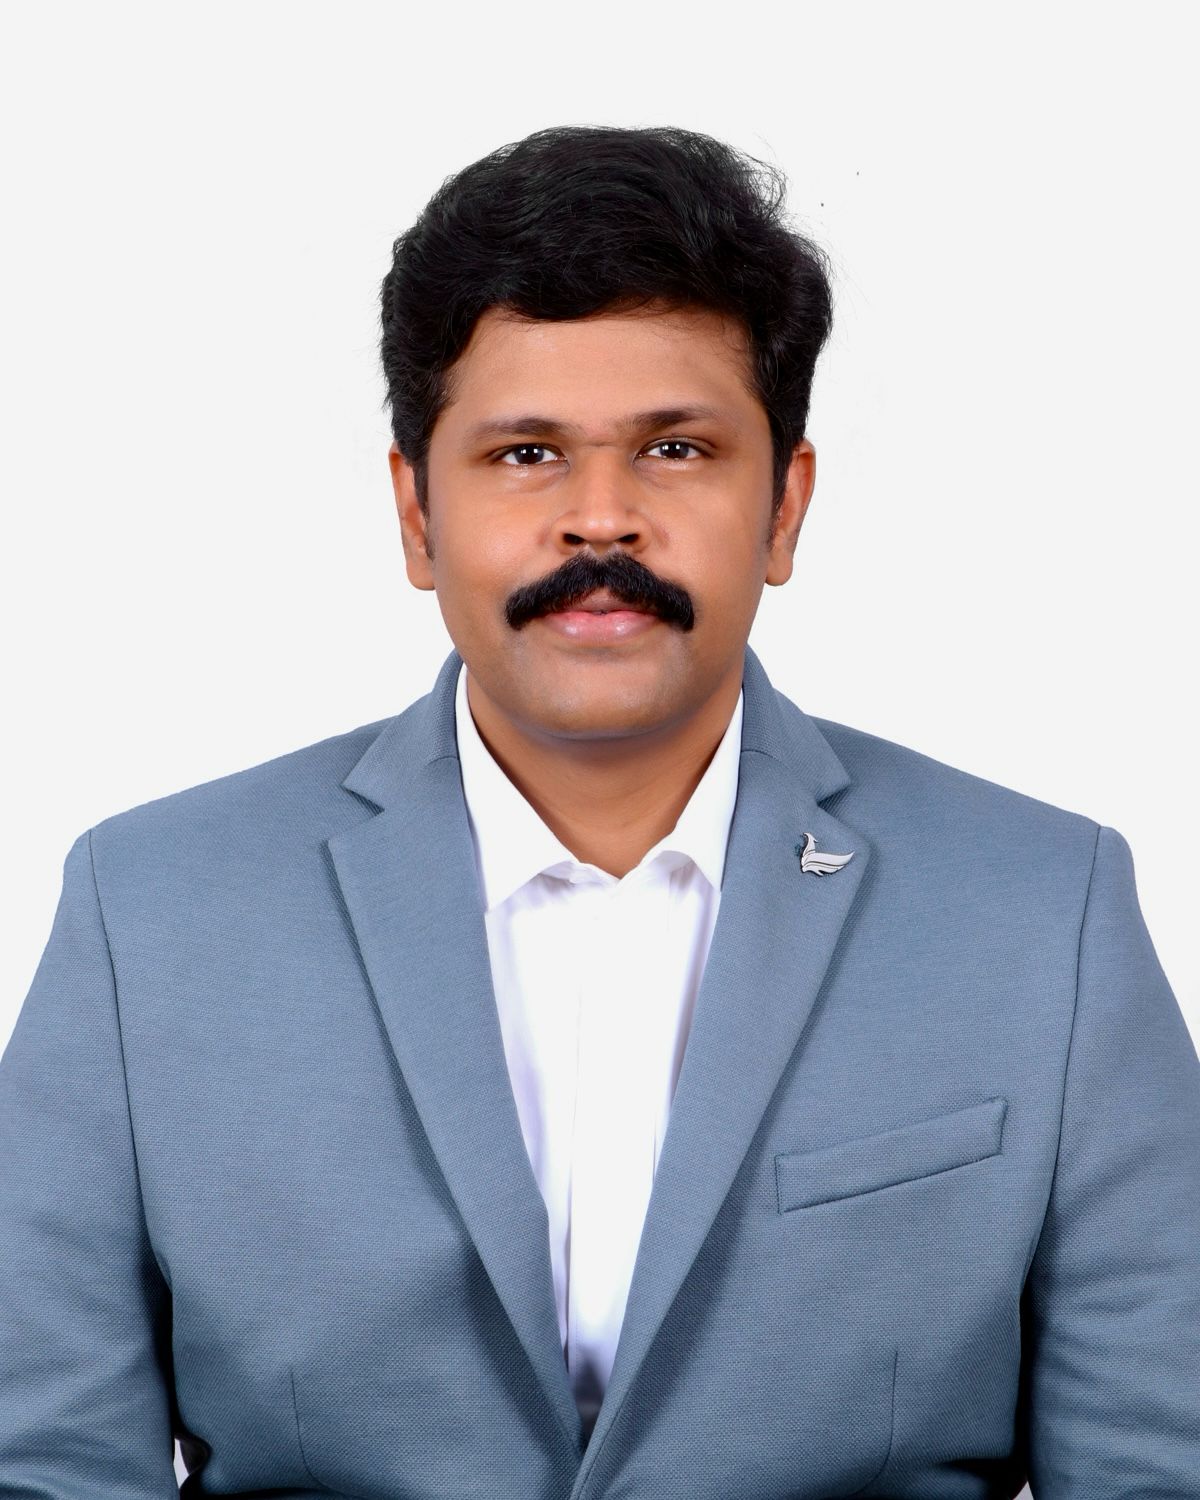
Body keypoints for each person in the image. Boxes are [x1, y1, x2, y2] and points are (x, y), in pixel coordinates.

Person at [2, 123, 1197, 1500]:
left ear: (785, 507)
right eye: (525, 454)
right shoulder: (149, 912)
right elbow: (43, 1465)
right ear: (416, 514)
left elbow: (1156, 1466)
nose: (602, 520)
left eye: (676, 447)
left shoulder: (1047, 912)